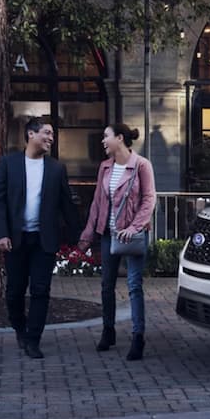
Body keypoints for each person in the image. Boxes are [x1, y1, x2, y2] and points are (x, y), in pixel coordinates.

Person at [0, 117, 80, 359]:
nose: (51, 138)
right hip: (16, 240)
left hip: (44, 240)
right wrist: (1, 234)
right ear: (31, 134)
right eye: (47, 133)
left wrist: (81, 235)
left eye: (52, 134)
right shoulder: (9, 164)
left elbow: (66, 204)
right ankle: (20, 329)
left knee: (41, 290)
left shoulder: (55, 168)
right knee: (14, 292)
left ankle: (33, 339)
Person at [78, 123, 156, 361]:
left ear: (119, 138)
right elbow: (98, 203)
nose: (103, 141)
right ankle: (108, 330)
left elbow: (149, 199)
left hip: (131, 236)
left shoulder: (141, 165)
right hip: (108, 234)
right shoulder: (105, 167)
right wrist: (88, 233)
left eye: (106, 136)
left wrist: (133, 228)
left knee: (133, 286)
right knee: (106, 285)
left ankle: (137, 337)